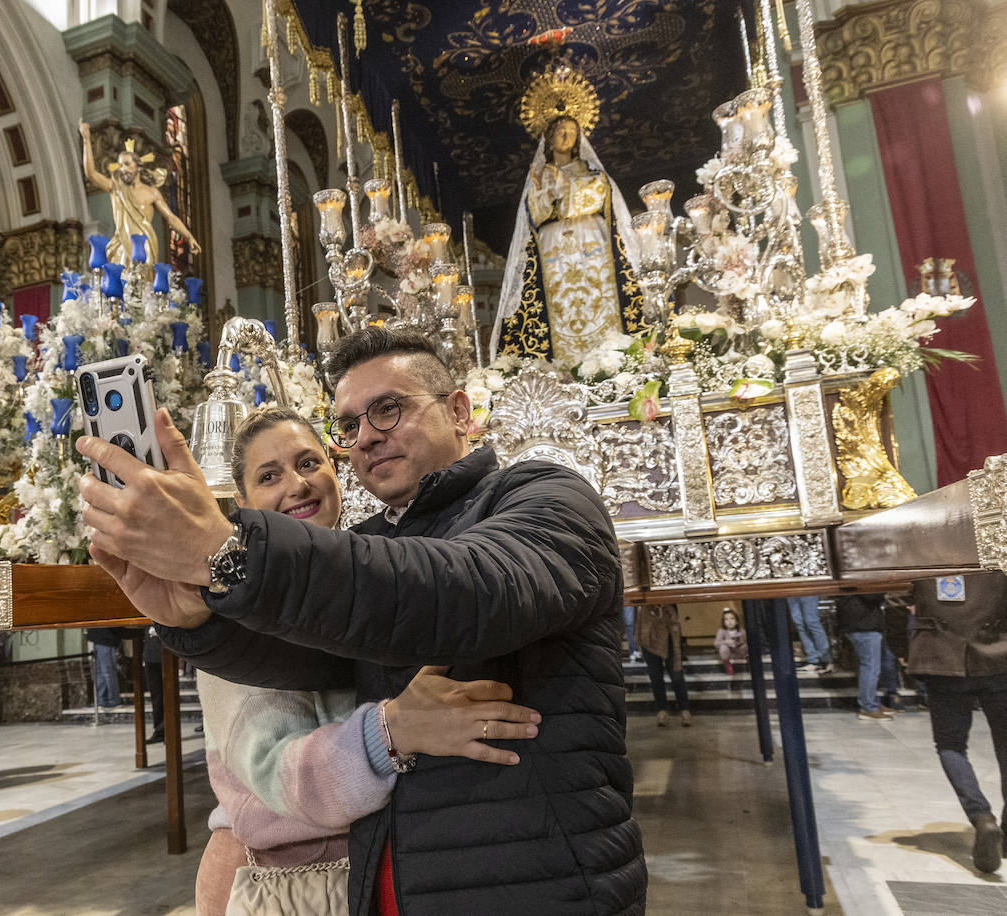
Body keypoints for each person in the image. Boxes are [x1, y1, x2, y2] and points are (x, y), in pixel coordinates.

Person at [78, 327, 646, 915]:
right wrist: (201, 619)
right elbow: (309, 658)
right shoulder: (373, 545)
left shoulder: (544, 496)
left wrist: (231, 557)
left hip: (538, 883)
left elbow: (467, 590)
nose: (368, 436)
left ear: (458, 411)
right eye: (349, 425)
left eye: (388, 409)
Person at [193, 407, 540, 915]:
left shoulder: (378, 569)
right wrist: (392, 732)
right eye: (269, 476)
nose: (296, 485)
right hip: (292, 882)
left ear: (336, 471)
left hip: (390, 866)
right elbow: (284, 779)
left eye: (309, 463)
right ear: (242, 502)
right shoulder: (236, 611)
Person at [494, 113, 647, 366]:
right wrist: (547, 194)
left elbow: (600, 196)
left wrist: (564, 190)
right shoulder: (539, 176)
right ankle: (565, 366)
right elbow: (534, 213)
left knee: (597, 296)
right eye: (561, 132)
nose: (566, 136)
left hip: (590, 241)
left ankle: (608, 362)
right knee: (559, 300)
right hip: (553, 246)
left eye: (572, 132)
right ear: (549, 139)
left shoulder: (591, 171)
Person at [907, 571, 1007, 874]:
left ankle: (982, 818)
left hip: (943, 660)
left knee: (950, 746)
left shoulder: (923, 556)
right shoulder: (998, 550)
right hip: (997, 657)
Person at [79, 120, 200, 266]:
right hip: (122, 246)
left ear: (139, 166)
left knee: (145, 284)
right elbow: (91, 174)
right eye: (121, 165)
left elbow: (171, 218)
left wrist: (189, 236)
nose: (123, 169)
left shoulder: (152, 193)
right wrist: (86, 139)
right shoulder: (117, 188)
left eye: (127, 164)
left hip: (146, 246)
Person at [837, 593, 900, 722]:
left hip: (860, 623)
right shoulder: (860, 578)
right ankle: (868, 707)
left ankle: (872, 702)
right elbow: (872, 595)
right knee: (870, 668)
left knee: (869, 667)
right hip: (864, 624)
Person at [637, 604, 691, 727]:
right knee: (656, 677)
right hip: (649, 642)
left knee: (677, 675)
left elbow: (674, 622)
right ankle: (662, 711)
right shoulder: (644, 608)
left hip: (670, 639)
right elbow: (640, 625)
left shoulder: (670, 606)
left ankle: (684, 710)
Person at [786, 596, 833, 673]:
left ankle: (826, 660)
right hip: (790, 590)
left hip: (806, 588)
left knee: (812, 622)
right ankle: (813, 660)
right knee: (800, 624)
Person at [714, 607, 747, 676]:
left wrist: (738, 642)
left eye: (732, 618)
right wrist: (726, 642)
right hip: (728, 655)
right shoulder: (722, 631)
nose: (729, 621)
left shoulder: (741, 631)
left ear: (737, 621)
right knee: (723, 647)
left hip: (739, 653)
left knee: (746, 646)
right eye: (726, 619)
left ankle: (748, 664)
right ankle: (728, 666)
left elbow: (745, 641)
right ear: (724, 622)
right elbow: (716, 643)